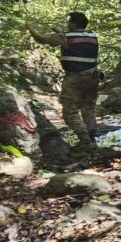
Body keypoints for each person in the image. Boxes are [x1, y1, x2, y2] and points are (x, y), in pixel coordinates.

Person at [28, 12, 100, 152]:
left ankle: (85, 142)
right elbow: (75, 39)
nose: (68, 24)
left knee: (70, 112)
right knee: (88, 109)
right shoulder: (92, 36)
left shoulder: (65, 37)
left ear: (73, 23)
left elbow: (41, 39)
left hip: (74, 78)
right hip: (93, 77)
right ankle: (92, 140)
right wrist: (60, 32)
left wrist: (31, 29)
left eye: (69, 22)